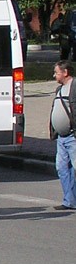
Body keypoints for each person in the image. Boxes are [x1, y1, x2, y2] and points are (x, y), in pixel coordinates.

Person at [48, 60, 76, 211]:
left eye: (56, 72)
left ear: (65, 73)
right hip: (61, 137)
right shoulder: (60, 89)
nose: (54, 75)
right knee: (62, 168)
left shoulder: (74, 87)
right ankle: (69, 200)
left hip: (73, 136)